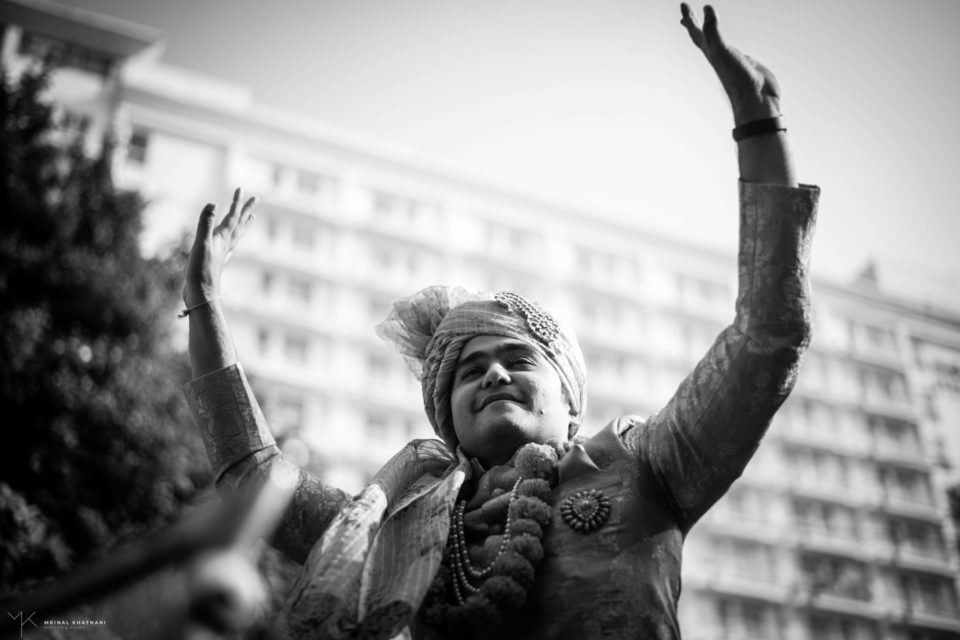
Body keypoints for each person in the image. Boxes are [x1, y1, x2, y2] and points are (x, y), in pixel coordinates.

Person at [180, 5, 819, 639]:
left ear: (571, 404)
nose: (491, 374)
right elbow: (254, 478)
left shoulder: (644, 463)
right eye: (468, 371)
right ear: (447, 419)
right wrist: (205, 302)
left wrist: (759, 122)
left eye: (518, 360)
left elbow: (767, 335)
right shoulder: (396, 523)